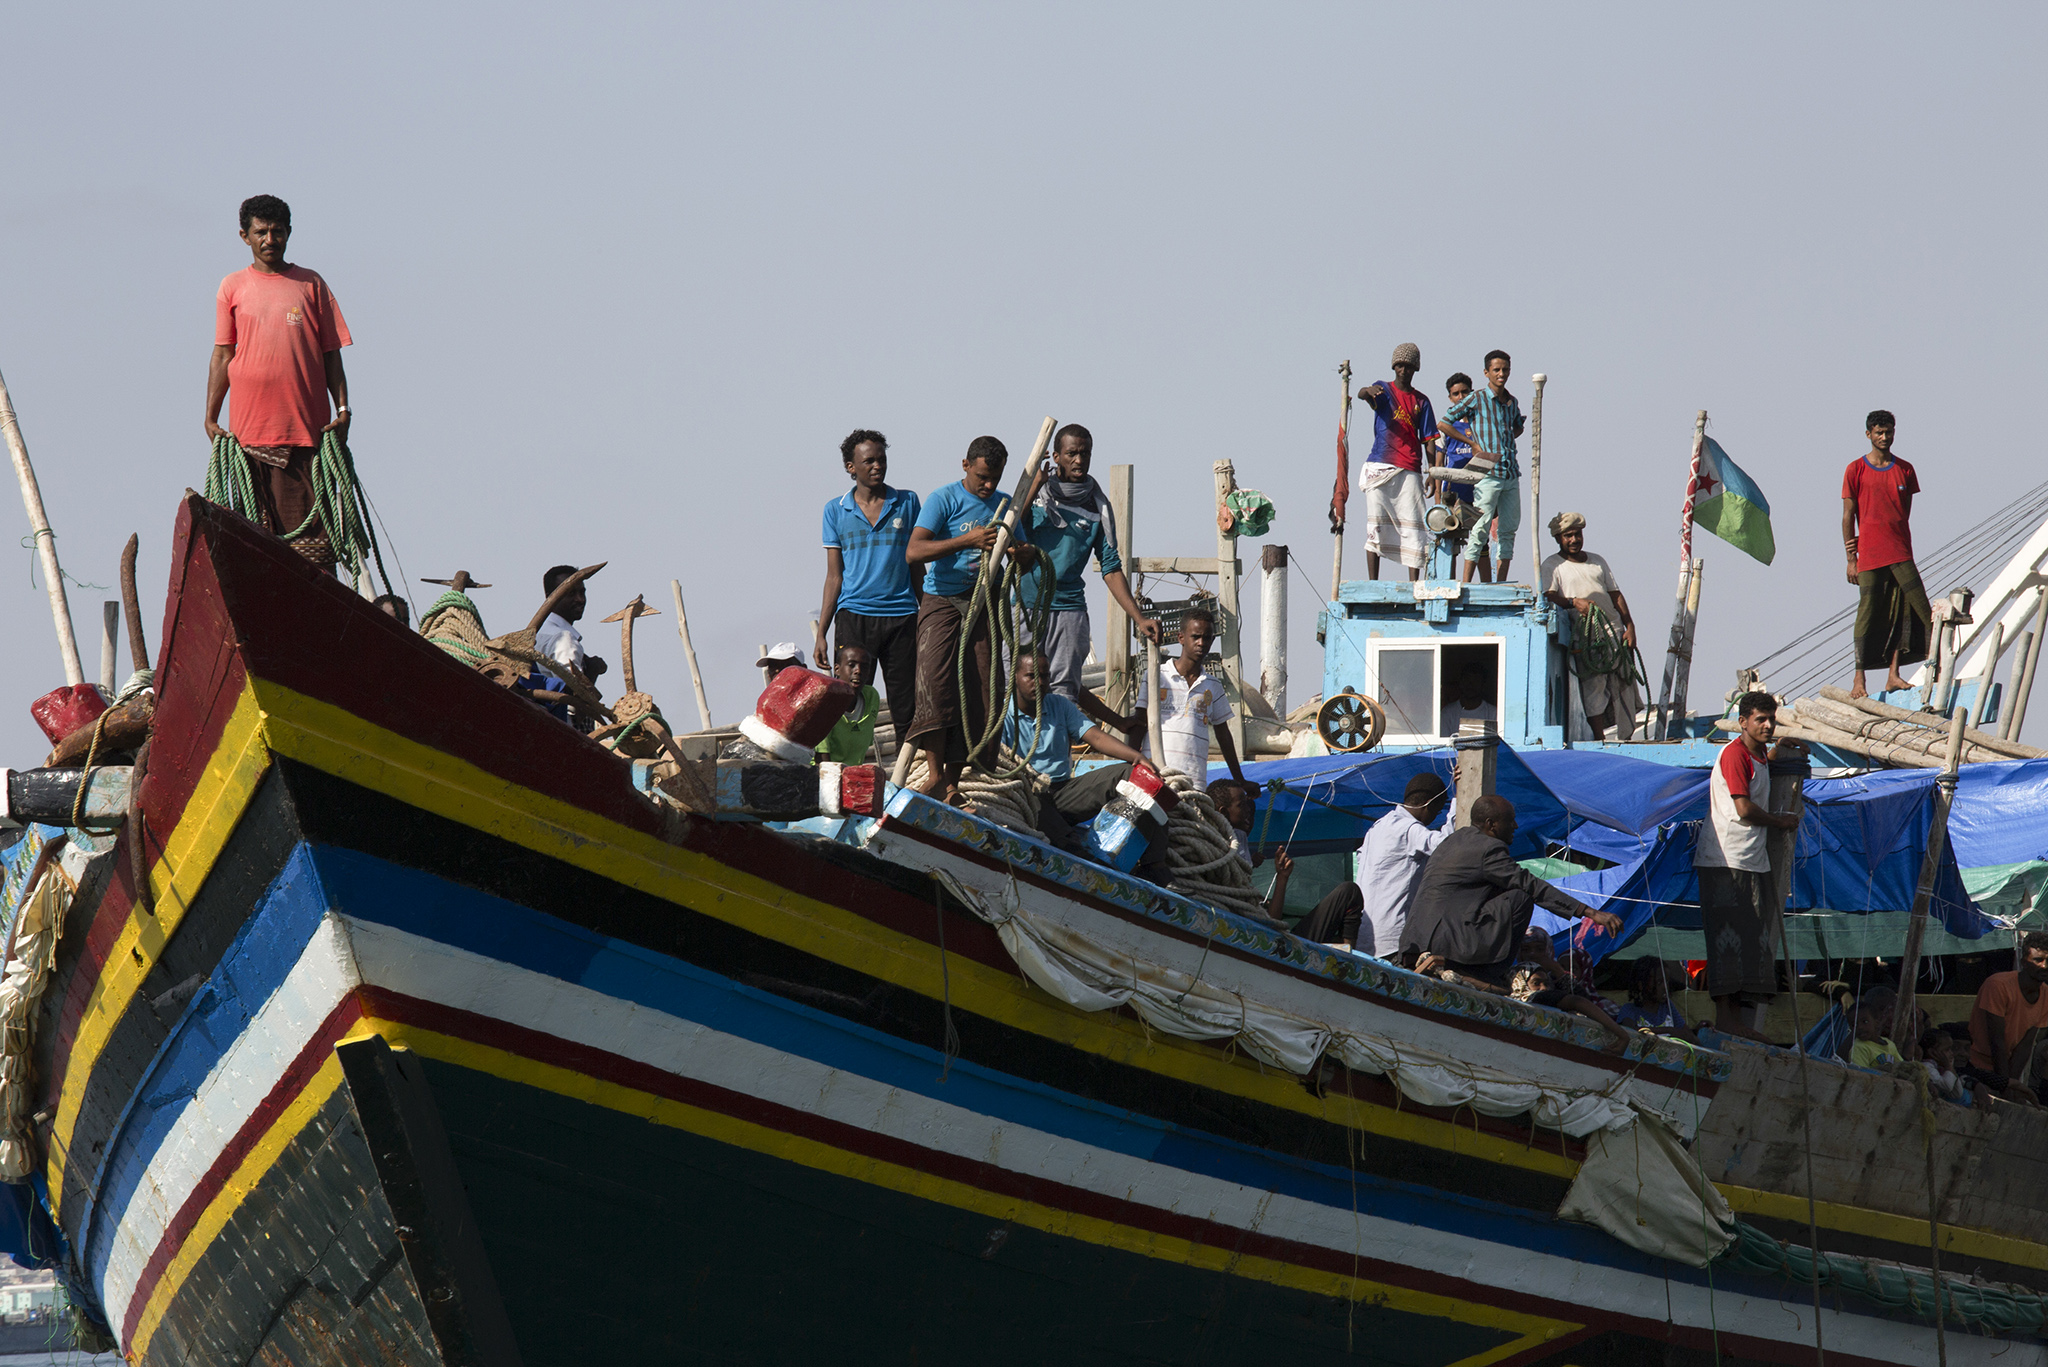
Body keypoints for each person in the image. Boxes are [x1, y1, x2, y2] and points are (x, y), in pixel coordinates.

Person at [204, 194, 353, 569]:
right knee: (257, 547)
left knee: (313, 554)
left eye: (277, 231)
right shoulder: (232, 287)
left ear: (289, 233)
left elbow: (331, 354)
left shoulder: (311, 285)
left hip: (307, 436)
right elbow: (223, 354)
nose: (270, 239)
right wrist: (210, 416)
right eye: (261, 232)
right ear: (245, 236)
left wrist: (344, 409)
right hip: (250, 437)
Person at [906, 438, 1030, 797]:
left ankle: (953, 781)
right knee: (933, 681)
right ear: (965, 465)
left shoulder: (1006, 504)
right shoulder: (942, 499)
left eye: (994, 478)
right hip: (942, 599)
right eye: (981, 477)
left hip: (985, 601)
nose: (988, 485)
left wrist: (1022, 554)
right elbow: (914, 551)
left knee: (981, 688)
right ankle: (933, 773)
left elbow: (1022, 556)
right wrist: (968, 541)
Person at [1401, 794, 1622, 986]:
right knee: (1521, 895)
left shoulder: (1454, 840)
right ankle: (1491, 973)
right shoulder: (1489, 848)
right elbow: (1530, 884)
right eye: (1510, 820)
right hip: (1446, 942)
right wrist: (1591, 913)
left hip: (1415, 938)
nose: (1516, 826)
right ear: (1492, 824)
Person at [1021, 424, 1161, 700]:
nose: (1079, 460)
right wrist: (1034, 484)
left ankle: (1056, 743)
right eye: (1071, 453)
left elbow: (1110, 568)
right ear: (1056, 457)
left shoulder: (1098, 507)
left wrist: (1139, 618)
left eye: (1085, 453)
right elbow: (1013, 531)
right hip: (1024, 606)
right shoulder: (1036, 495)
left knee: (1063, 691)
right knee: (1015, 687)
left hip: (1069, 609)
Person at [1695, 692, 1802, 1042]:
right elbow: (1743, 808)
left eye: (1771, 719)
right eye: (1761, 719)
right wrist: (1780, 822)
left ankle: (1737, 1020)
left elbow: (1761, 767)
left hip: (1750, 859)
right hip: (1726, 859)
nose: (1768, 725)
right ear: (1743, 722)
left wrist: (1782, 750)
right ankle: (1725, 1020)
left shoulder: (1756, 755)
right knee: (1727, 939)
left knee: (1750, 937)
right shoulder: (1734, 754)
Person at [816, 430, 921, 730]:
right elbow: (834, 577)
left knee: (907, 704)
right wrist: (822, 632)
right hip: (854, 617)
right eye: (869, 461)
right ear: (851, 467)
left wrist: (926, 615)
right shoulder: (835, 510)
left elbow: (917, 567)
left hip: (901, 617)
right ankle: (845, 772)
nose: (878, 466)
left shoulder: (907, 502)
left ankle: (905, 776)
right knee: (846, 702)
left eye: (882, 459)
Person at [1001, 653, 1154, 856]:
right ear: (1014, 678)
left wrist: (1137, 758)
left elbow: (1096, 738)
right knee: (1037, 803)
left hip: (1064, 792)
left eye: (1045, 677)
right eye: (1031, 676)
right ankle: (1076, 850)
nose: (1039, 683)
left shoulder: (1060, 706)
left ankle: (1151, 862)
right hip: (1028, 795)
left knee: (1130, 774)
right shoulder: (1002, 714)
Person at [1842, 410, 1928, 699]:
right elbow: (1847, 516)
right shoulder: (1856, 469)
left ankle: (1894, 674)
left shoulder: (1905, 469)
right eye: (1878, 432)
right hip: (1869, 554)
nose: (1884, 437)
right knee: (1868, 612)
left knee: (1911, 610)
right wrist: (1851, 558)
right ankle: (1859, 680)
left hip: (1901, 551)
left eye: (1888, 431)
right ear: (1868, 434)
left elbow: (1904, 514)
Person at [1539, 512, 1642, 740]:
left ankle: (1626, 736)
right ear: (1558, 538)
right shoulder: (1552, 565)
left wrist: (1629, 626)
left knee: (1624, 682)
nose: (1574, 540)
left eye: (1577, 534)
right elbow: (1548, 596)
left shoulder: (1597, 560)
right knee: (1594, 685)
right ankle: (1599, 737)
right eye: (1568, 536)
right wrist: (1573, 602)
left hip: (1614, 631)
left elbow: (1615, 594)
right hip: (1588, 637)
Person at [1129, 608, 1248, 788]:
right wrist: (1127, 768)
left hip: (1193, 779)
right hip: (1156, 774)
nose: (1201, 643)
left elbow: (1223, 734)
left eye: (1207, 638)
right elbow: (1139, 722)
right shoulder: (1156, 676)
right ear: (1181, 638)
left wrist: (1239, 779)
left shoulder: (1212, 685)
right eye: (1195, 637)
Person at [1355, 343, 1438, 582]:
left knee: (1414, 527)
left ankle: (1414, 583)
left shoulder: (1421, 401)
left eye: (1409, 366)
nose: (1404, 370)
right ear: (1394, 366)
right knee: (1375, 525)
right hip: (1380, 466)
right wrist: (1367, 391)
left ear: (1415, 369)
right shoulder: (1382, 390)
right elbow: (1363, 393)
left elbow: (1429, 440)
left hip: (1410, 468)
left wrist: (1431, 471)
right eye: (1400, 365)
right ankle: (1373, 583)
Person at [1442, 350, 1526, 584]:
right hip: (1487, 474)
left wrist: (1504, 438)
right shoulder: (1476, 399)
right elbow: (1445, 422)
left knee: (1507, 531)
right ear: (1486, 372)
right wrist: (1473, 444)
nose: (1501, 374)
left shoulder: (1511, 402)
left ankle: (1500, 583)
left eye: (1505, 369)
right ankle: (1466, 584)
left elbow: (1518, 426)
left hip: (1510, 472)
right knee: (1479, 529)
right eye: (1496, 370)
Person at [1352, 772, 1450, 955]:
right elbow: (1447, 846)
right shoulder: (1409, 829)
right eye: (1437, 812)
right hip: (1391, 940)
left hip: (1363, 936)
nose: (1434, 818)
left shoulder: (1377, 828)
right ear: (1428, 805)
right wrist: (1456, 808)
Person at [1963, 931, 2048, 1108]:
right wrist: (2005, 1086)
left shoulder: (2045, 995)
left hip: (2005, 1069)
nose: (2044, 966)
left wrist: (2012, 1084)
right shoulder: (1998, 985)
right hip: (1975, 1065)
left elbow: (2025, 1045)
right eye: (2038, 960)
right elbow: (1997, 1041)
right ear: (2024, 961)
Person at [1432, 373, 1489, 581]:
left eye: (1464, 392)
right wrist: (1438, 499)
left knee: (1480, 539)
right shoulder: (1448, 426)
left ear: (1471, 393)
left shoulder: (1480, 424)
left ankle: (1486, 585)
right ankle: (1448, 584)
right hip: (1453, 493)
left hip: (1478, 491)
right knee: (1450, 537)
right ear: (1450, 398)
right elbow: (1439, 464)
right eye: (1456, 394)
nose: (1460, 396)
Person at [816, 644, 881, 764]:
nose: (858, 671)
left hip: (852, 775)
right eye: (851, 665)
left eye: (865, 667)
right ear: (837, 669)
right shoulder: (825, 702)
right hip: (823, 774)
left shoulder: (872, 698)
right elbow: (822, 758)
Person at [1611, 957, 1689, 1034]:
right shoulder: (1630, 1010)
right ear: (1641, 985)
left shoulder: (1667, 1007)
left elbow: (1687, 1034)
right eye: (1659, 982)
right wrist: (1669, 1030)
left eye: (1667, 982)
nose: (1665, 987)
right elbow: (1631, 1032)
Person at [1438, 661, 1497, 738]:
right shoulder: (1448, 713)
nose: (1470, 685)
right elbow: (1443, 744)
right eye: (1467, 679)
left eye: (1476, 680)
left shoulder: (1493, 713)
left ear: (1483, 684)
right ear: (1461, 682)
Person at [1921, 1028, 1966, 1103]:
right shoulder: (1927, 1067)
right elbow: (1947, 1086)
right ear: (1932, 1052)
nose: (1951, 1053)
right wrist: (1948, 1067)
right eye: (1947, 1050)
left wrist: (1951, 1068)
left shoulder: (1941, 1068)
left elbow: (1957, 1093)